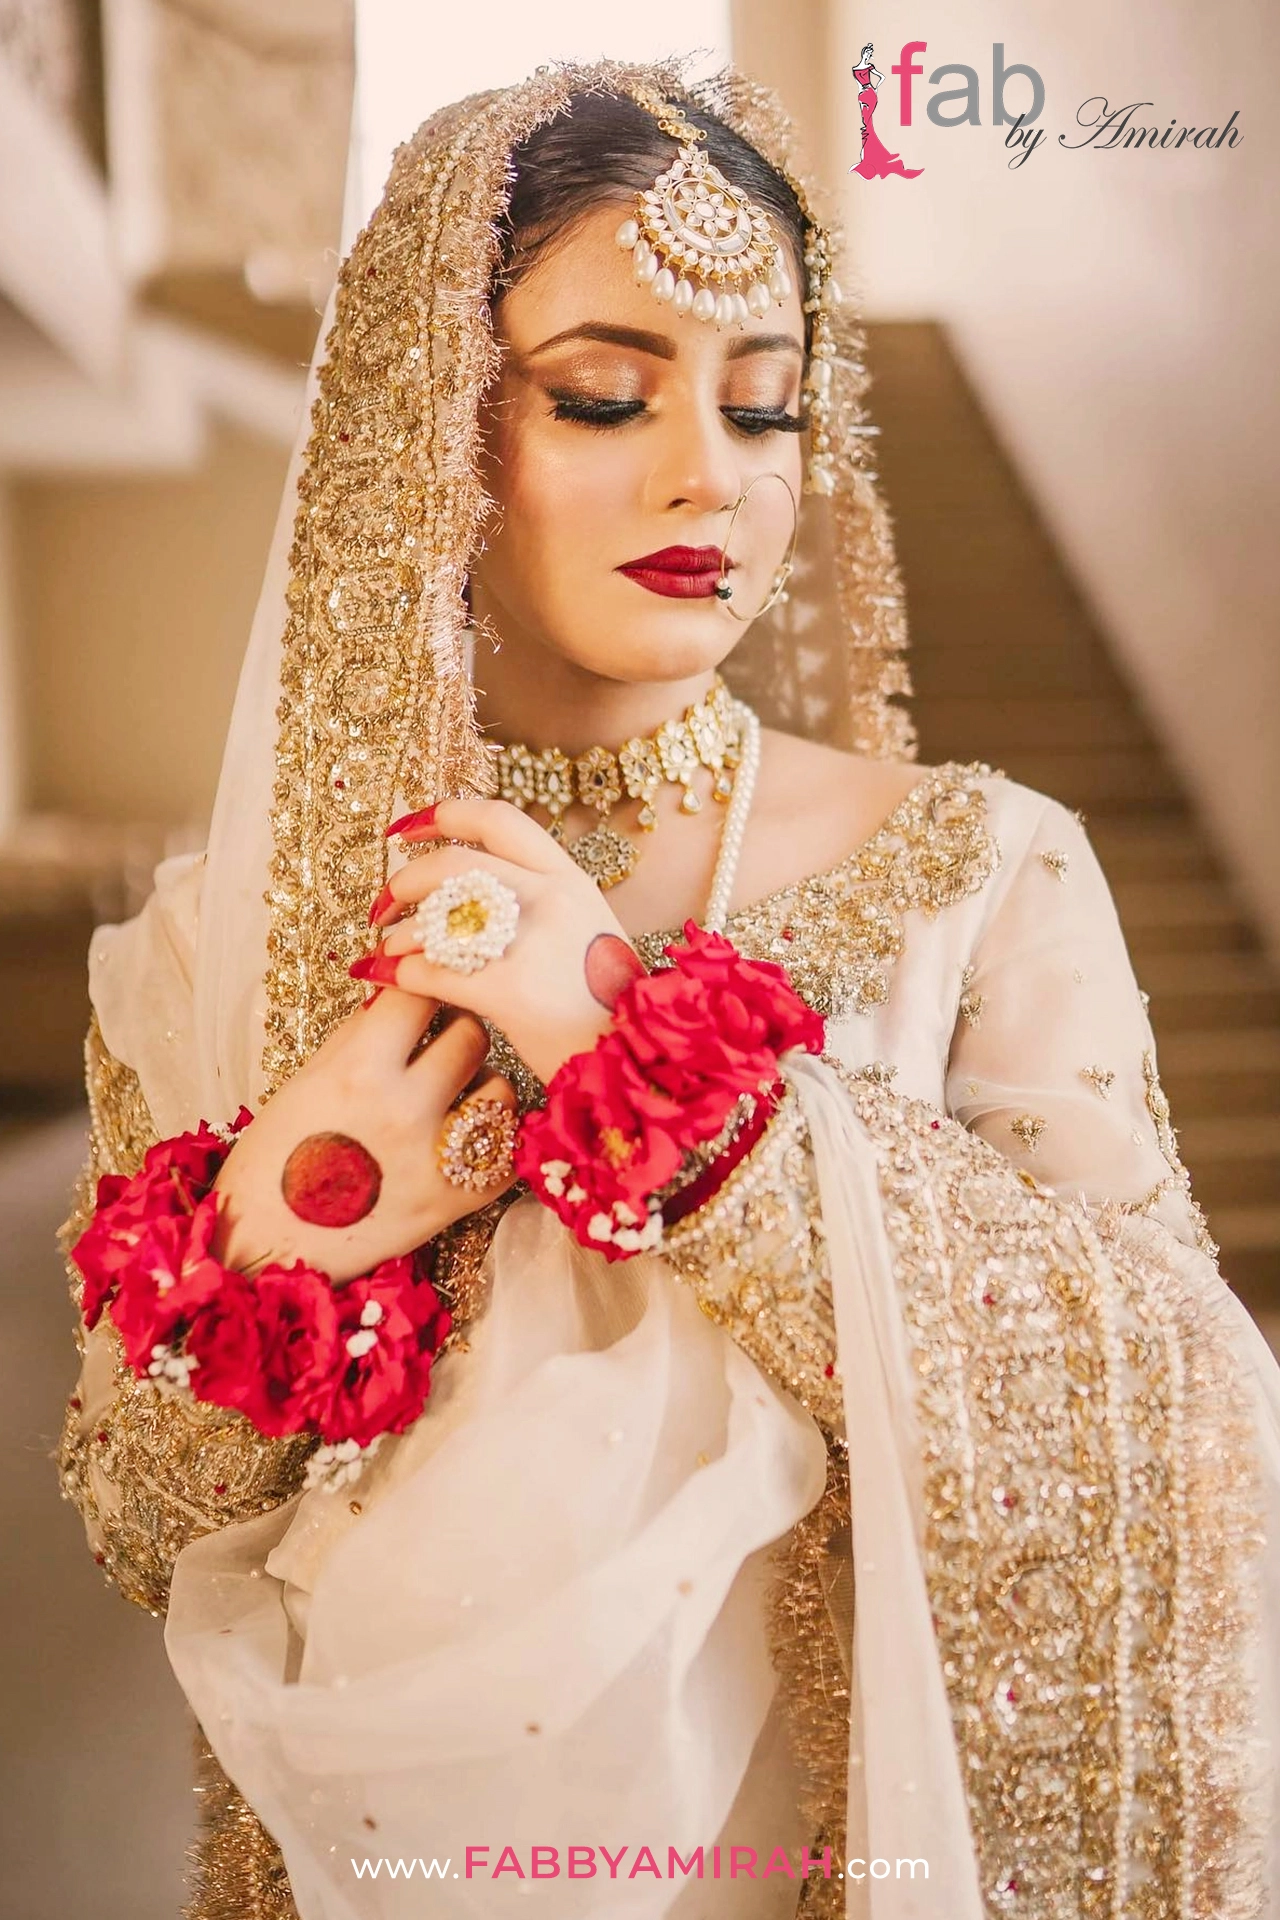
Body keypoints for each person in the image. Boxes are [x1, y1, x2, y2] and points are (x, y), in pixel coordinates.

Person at [54, 56, 1280, 1920]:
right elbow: (155, 1539)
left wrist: (669, 1088)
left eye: (769, 407)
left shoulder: (974, 870)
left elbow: (1190, 1423)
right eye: (607, 395)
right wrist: (284, 1235)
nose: (712, 471)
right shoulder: (232, 926)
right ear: (427, 432)